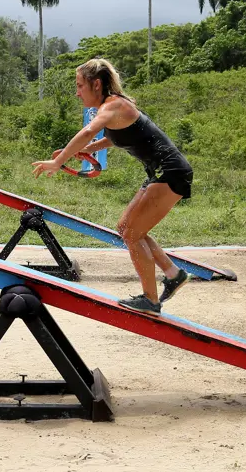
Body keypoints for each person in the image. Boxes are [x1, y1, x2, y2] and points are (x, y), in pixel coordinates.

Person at [31, 58, 193, 315]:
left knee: (133, 233)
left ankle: (151, 301)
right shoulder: (114, 107)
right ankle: (173, 274)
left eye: (80, 85)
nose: (77, 92)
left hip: (171, 172)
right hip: (158, 172)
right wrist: (86, 150)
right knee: (125, 228)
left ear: (96, 84)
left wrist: (57, 161)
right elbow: (113, 138)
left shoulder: (113, 105)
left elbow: (87, 131)